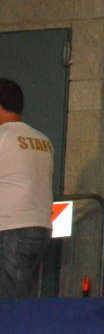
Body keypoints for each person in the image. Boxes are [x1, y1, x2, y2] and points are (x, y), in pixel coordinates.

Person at [0, 79, 53, 298]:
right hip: (39, 228)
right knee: (20, 297)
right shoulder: (42, 139)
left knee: (9, 303)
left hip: (10, 228)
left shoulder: (3, 136)